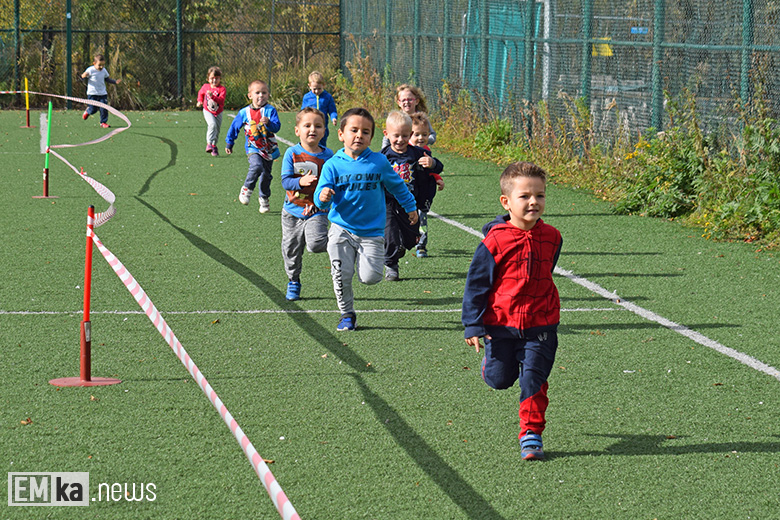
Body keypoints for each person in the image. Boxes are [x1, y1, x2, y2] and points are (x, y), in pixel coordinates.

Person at [461, 161, 563, 461]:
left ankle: (531, 434)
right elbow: (477, 284)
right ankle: (493, 364)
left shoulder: (553, 237)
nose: (534, 201)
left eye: (540, 195)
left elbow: (546, 270)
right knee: (500, 379)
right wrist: (473, 325)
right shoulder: (494, 241)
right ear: (506, 202)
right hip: (501, 327)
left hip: (541, 325)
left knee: (534, 377)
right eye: (525, 196)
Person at [313, 108, 418, 331]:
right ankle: (347, 314)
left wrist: (411, 207)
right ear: (341, 134)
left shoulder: (379, 162)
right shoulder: (332, 164)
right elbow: (320, 198)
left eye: (365, 131)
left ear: (372, 137)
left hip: (371, 232)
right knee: (341, 274)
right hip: (341, 228)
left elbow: (397, 187)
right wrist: (322, 197)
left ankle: (361, 262)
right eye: (354, 130)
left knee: (370, 278)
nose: (359, 135)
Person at [380, 111, 443, 280]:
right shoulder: (383, 156)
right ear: (386, 135)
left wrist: (433, 164)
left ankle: (400, 247)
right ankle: (391, 265)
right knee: (390, 232)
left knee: (412, 238)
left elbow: (438, 167)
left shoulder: (416, 153)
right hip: (389, 202)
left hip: (410, 203)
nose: (400, 140)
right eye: (396, 136)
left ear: (410, 135)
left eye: (405, 136)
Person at [280, 108, 334, 301]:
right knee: (291, 249)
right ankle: (293, 281)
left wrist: (321, 202)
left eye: (318, 126)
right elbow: (286, 181)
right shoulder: (292, 153)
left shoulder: (329, 156)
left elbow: (333, 183)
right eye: (307, 125)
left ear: (324, 131)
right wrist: (299, 183)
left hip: (317, 211)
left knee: (316, 244)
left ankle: (341, 242)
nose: (312, 129)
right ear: (297, 130)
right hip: (292, 211)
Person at [225, 80, 281, 214]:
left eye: (264, 93)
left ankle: (264, 197)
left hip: (268, 148)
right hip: (253, 147)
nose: (261, 96)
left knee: (266, 175)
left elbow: (277, 127)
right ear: (250, 95)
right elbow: (234, 127)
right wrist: (230, 142)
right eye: (257, 93)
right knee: (256, 166)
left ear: (268, 95)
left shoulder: (270, 110)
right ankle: (247, 189)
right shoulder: (244, 112)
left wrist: (269, 123)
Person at [409, 111, 445, 258]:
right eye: (416, 134)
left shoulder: (426, 151)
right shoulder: (405, 152)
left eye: (424, 135)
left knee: (422, 218)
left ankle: (421, 245)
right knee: (404, 218)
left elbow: (431, 169)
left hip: (423, 191)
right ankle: (401, 240)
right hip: (407, 193)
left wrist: (437, 177)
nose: (420, 138)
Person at [81, 54, 121, 128]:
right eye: (99, 65)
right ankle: (88, 111)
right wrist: (83, 76)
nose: (101, 67)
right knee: (93, 109)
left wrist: (115, 82)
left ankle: (103, 122)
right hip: (92, 93)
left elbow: (107, 79)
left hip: (102, 93)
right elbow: (84, 76)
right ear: (94, 63)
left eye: (103, 65)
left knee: (104, 107)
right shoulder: (90, 70)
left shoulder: (104, 70)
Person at [301, 71, 338, 149]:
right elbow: (303, 111)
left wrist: (334, 118)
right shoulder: (307, 97)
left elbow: (332, 110)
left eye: (319, 89)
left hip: (322, 126)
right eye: (314, 89)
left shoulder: (327, 97)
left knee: (321, 145)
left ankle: (322, 159)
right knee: (309, 143)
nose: (317, 91)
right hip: (309, 126)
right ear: (309, 86)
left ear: (323, 85)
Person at [196, 66, 227, 157]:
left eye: (216, 78)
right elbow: (200, 93)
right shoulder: (206, 87)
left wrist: (212, 96)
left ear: (220, 79)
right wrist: (199, 101)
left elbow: (221, 101)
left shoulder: (222, 89)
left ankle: (214, 145)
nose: (214, 80)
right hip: (207, 110)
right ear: (208, 78)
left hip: (218, 112)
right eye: (212, 78)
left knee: (217, 130)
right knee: (212, 124)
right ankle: (209, 143)